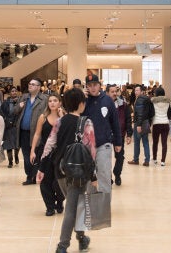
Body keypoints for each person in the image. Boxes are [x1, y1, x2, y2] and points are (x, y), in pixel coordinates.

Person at [36, 88, 96, 253]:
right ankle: (63, 246)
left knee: (75, 204)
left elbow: (49, 145)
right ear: (81, 104)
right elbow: (91, 151)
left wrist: (41, 168)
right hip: (79, 172)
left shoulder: (59, 122)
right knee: (72, 208)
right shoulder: (86, 122)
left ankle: (82, 238)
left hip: (60, 170)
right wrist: (94, 175)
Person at [83, 74, 122, 193]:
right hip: (87, 146)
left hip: (104, 143)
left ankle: (104, 207)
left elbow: (115, 122)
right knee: (89, 177)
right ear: (86, 87)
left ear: (99, 85)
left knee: (104, 174)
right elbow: (75, 114)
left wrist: (118, 142)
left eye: (95, 85)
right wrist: (81, 99)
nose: (92, 88)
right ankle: (92, 205)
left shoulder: (107, 100)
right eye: (89, 85)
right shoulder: (83, 101)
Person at [30, 94, 65, 216]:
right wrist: (32, 150)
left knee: (59, 181)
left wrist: (62, 117)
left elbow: (66, 134)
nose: (52, 103)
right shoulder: (43, 117)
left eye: (55, 101)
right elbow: (37, 134)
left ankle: (59, 202)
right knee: (45, 180)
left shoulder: (64, 117)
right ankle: (49, 206)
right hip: (44, 153)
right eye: (50, 101)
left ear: (60, 103)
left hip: (60, 153)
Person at [15, 78, 48, 185]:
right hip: (23, 132)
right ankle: (30, 175)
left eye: (33, 84)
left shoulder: (44, 99)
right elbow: (14, 111)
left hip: (37, 133)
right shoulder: (24, 97)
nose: (30, 85)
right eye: (30, 84)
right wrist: (19, 107)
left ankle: (34, 176)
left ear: (39, 87)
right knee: (26, 156)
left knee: (36, 155)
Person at [107, 84, 132, 186]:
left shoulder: (123, 105)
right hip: (107, 135)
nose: (114, 93)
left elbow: (128, 120)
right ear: (107, 93)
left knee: (120, 156)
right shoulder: (103, 105)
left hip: (119, 134)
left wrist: (129, 134)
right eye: (112, 91)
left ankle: (117, 174)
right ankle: (108, 177)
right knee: (106, 158)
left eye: (115, 91)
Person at [128, 84, 153, 166]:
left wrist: (138, 125)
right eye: (135, 90)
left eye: (137, 90)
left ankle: (136, 159)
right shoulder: (147, 99)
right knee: (145, 142)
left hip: (139, 123)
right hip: (145, 122)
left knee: (137, 142)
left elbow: (140, 113)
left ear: (142, 91)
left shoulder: (140, 100)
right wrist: (148, 121)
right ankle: (147, 160)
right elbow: (152, 112)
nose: (135, 92)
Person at [1, 87, 21, 168]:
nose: (14, 92)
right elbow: (2, 113)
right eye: (12, 91)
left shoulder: (20, 102)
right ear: (9, 93)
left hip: (17, 126)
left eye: (15, 91)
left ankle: (16, 155)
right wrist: (6, 120)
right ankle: (10, 161)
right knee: (8, 145)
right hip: (8, 126)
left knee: (17, 144)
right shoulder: (5, 103)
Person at [150, 87, 170, 166]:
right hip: (165, 123)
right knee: (164, 143)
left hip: (156, 123)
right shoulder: (168, 102)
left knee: (155, 142)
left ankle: (154, 159)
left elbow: (151, 100)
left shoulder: (153, 101)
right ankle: (163, 161)